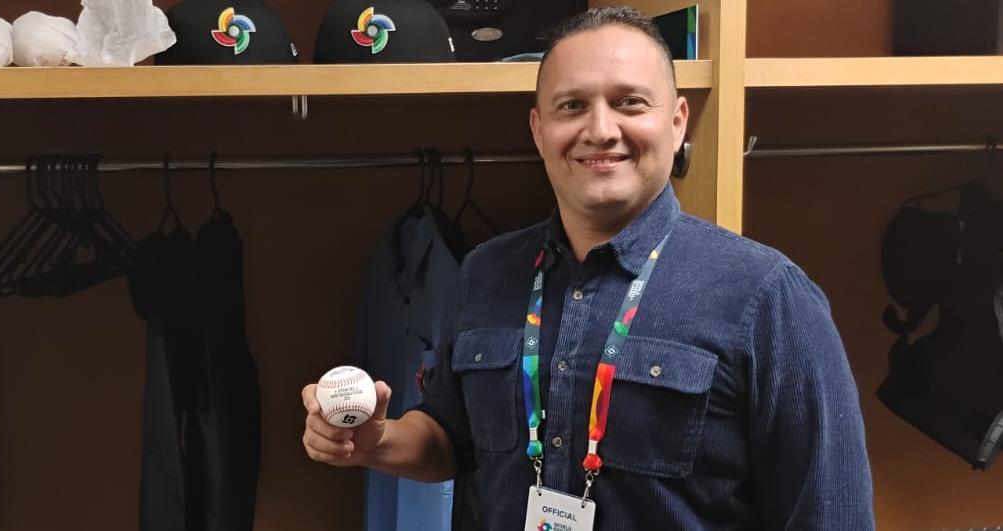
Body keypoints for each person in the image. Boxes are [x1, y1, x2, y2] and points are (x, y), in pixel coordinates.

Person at [301, 6, 874, 530]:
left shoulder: (768, 297)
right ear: (538, 130)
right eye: (572, 105)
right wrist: (377, 442)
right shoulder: (484, 274)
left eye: (629, 102)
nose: (600, 130)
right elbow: (451, 438)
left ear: (677, 122)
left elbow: (831, 515)